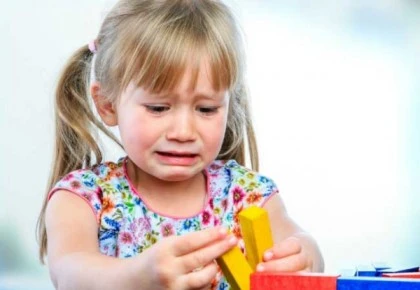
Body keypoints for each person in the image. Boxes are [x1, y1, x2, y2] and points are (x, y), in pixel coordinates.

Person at [37, 0, 324, 289]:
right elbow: (69, 274)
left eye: (207, 109)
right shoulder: (83, 198)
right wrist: (139, 276)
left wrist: (304, 256)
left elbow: (301, 245)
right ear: (107, 104)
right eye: (159, 108)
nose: (184, 132)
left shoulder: (246, 195)